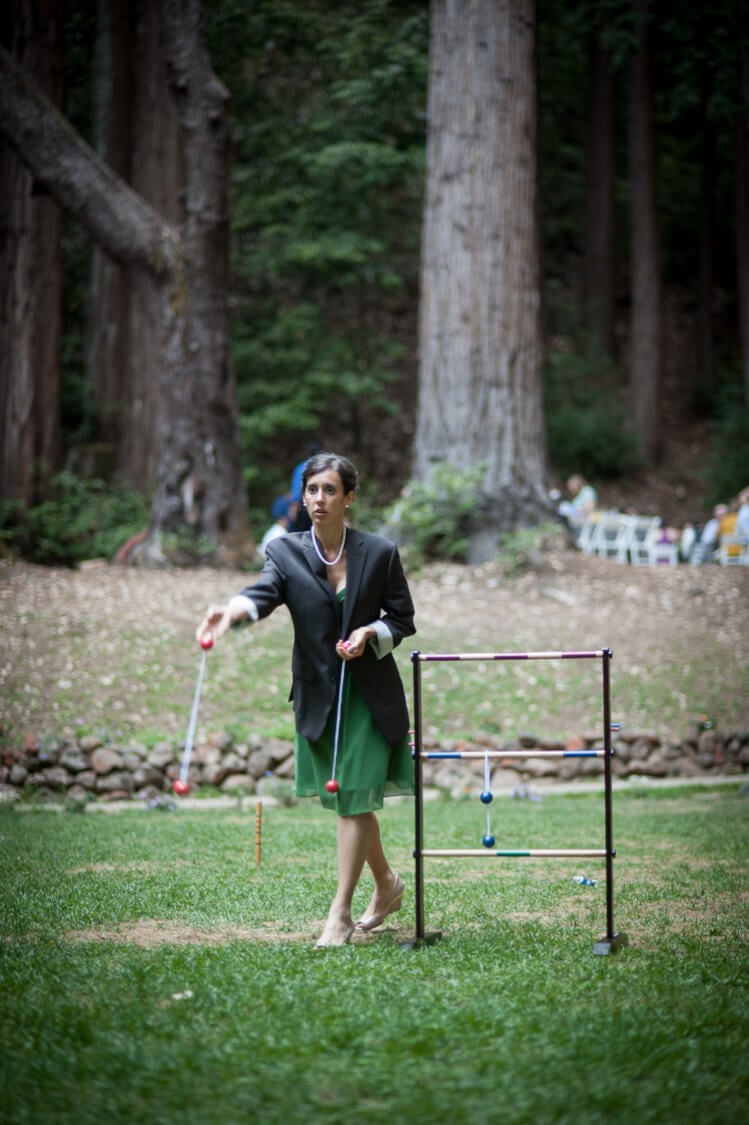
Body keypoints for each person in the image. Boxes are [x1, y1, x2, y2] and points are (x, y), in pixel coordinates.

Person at [196, 452, 415, 948]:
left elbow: (402, 618)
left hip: (369, 694)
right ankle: (387, 884)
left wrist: (370, 633)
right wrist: (230, 613)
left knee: (353, 800)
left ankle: (338, 914)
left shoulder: (379, 553)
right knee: (350, 799)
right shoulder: (287, 552)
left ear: (349, 497)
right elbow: (263, 593)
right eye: (312, 489)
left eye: (330, 490)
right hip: (320, 693)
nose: (319, 499)